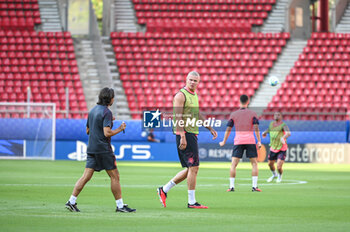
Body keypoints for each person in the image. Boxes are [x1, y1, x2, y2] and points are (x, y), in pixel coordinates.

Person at [65, 87, 136, 213]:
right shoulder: (106, 112)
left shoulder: (92, 111)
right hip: (103, 149)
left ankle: (71, 201)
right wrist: (120, 128)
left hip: (91, 148)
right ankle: (120, 206)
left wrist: (103, 123)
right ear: (110, 99)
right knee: (115, 176)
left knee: (85, 176)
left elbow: (88, 130)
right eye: (113, 97)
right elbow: (107, 133)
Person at [157, 71, 217, 209]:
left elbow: (196, 114)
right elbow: (177, 117)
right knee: (194, 168)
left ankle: (164, 189)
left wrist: (209, 127)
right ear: (186, 79)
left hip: (192, 133)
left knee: (191, 168)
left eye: (195, 81)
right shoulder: (180, 95)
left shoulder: (194, 95)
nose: (192, 82)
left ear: (198, 82)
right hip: (185, 133)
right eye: (190, 80)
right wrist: (182, 136)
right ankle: (191, 202)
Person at [219, 94, 262, 192]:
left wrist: (224, 141)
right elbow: (256, 128)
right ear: (248, 101)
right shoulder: (253, 113)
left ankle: (231, 187)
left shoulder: (234, 114)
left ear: (239, 101)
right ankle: (254, 187)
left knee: (233, 164)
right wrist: (259, 141)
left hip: (238, 141)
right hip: (250, 140)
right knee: (254, 164)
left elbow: (228, 129)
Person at [262, 112, 291, 183]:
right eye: (275, 115)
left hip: (282, 148)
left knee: (278, 166)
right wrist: (264, 133)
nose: (276, 116)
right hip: (273, 147)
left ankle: (280, 176)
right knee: (270, 164)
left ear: (281, 117)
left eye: (278, 115)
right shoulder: (272, 124)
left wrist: (283, 137)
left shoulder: (283, 125)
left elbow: (288, 133)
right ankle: (274, 174)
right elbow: (268, 130)